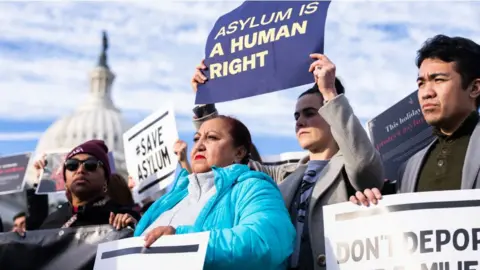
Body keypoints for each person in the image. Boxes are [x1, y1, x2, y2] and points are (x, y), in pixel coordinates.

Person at [192, 55, 384, 269]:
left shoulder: (349, 169)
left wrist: (330, 92)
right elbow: (226, 156)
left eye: (309, 113)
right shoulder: (283, 176)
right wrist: (204, 103)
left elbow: (364, 166)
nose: (300, 121)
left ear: (331, 113)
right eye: (296, 116)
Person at [115, 116, 295, 270]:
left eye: (212, 138)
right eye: (196, 138)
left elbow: (264, 242)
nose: (199, 145)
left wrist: (182, 241)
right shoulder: (169, 200)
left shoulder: (253, 187)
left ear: (239, 152)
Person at [351, 34, 480, 206]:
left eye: (439, 80)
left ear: (474, 88)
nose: (426, 93)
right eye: (421, 84)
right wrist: (371, 207)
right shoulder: (409, 168)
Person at [34, 140, 139, 229]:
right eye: (72, 165)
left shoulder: (122, 218)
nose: (80, 170)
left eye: (90, 165)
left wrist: (133, 229)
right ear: (65, 180)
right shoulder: (52, 222)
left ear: (106, 180)